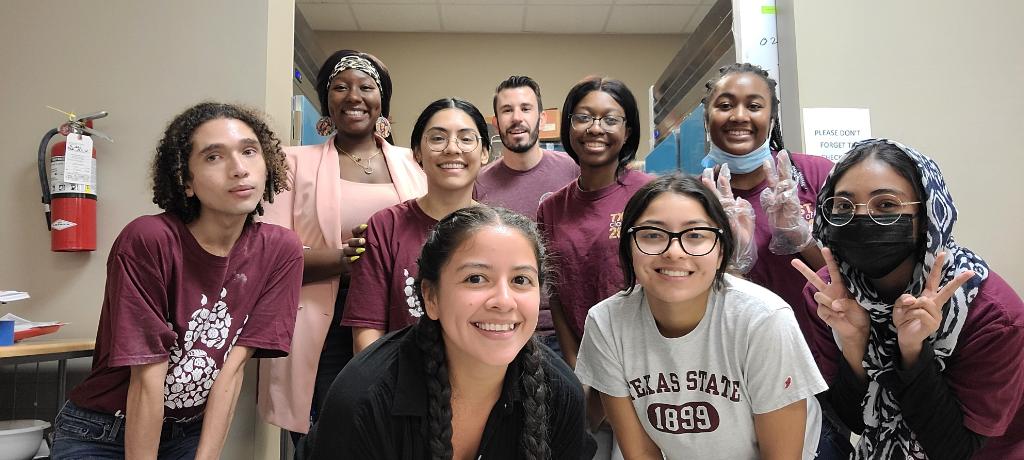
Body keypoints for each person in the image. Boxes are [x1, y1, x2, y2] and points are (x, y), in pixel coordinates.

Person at [50, 102, 303, 459]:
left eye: (249, 151)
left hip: (186, 433)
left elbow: (232, 368)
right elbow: (147, 379)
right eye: (213, 157)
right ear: (186, 181)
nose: (239, 168)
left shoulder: (281, 250)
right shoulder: (148, 240)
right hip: (101, 431)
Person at [299, 206, 593, 459]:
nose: (504, 301)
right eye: (476, 278)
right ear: (431, 297)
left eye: (521, 279)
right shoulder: (365, 396)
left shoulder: (559, 391)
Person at [794, 139, 1024, 459]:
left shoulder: (992, 315)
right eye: (844, 207)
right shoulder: (828, 298)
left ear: (927, 213)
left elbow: (955, 449)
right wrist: (853, 343)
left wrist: (914, 353)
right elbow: (852, 421)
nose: (863, 220)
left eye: (886, 205)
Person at [574, 173, 828, 459]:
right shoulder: (607, 323)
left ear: (721, 251)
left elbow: (780, 456)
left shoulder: (763, 320)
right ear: (629, 247)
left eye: (695, 235)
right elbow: (642, 454)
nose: (674, 252)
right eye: (653, 235)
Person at [256, 49, 426, 436]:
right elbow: (269, 257)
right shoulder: (291, 163)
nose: (354, 96)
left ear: (382, 100)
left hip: (401, 319)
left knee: (395, 434)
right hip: (323, 325)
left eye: (366, 86)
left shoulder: (414, 162)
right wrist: (340, 260)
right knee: (327, 438)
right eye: (340, 87)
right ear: (326, 101)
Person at [342, 98, 490, 353]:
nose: (452, 149)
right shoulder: (385, 226)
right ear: (417, 153)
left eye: (466, 139)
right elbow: (367, 334)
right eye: (437, 138)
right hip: (401, 381)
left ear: (485, 152)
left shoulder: (500, 231)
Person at [699, 63, 832, 332]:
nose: (738, 116)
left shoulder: (817, 175)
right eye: (725, 105)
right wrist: (731, 264)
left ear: (772, 120)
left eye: (754, 106)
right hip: (734, 351)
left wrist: (802, 240)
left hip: (818, 349)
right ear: (707, 119)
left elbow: (852, 280)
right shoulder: (695, 196)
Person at [475, 75, 580, 354]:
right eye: (507, 110)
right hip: (504, 326)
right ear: (496, 122)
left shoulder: (573, 172)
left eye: (525, 108)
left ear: (541, 118)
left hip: (566, 329)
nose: (516, 118)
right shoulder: (478, 184)